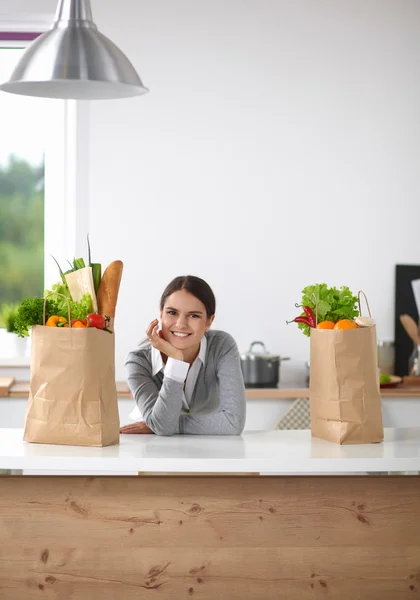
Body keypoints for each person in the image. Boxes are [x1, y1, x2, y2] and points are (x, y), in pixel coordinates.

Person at [120, 275, 246, 436]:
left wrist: (162, 424)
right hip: (152, 445)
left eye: (194, 315)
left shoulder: (221, 346)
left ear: (209, 322)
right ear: (161, 315)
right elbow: (163, 428)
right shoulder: (138, 361)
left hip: (209, 448)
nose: (180, 324)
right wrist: (176, 361)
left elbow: (233, 423)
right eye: (172, 312)